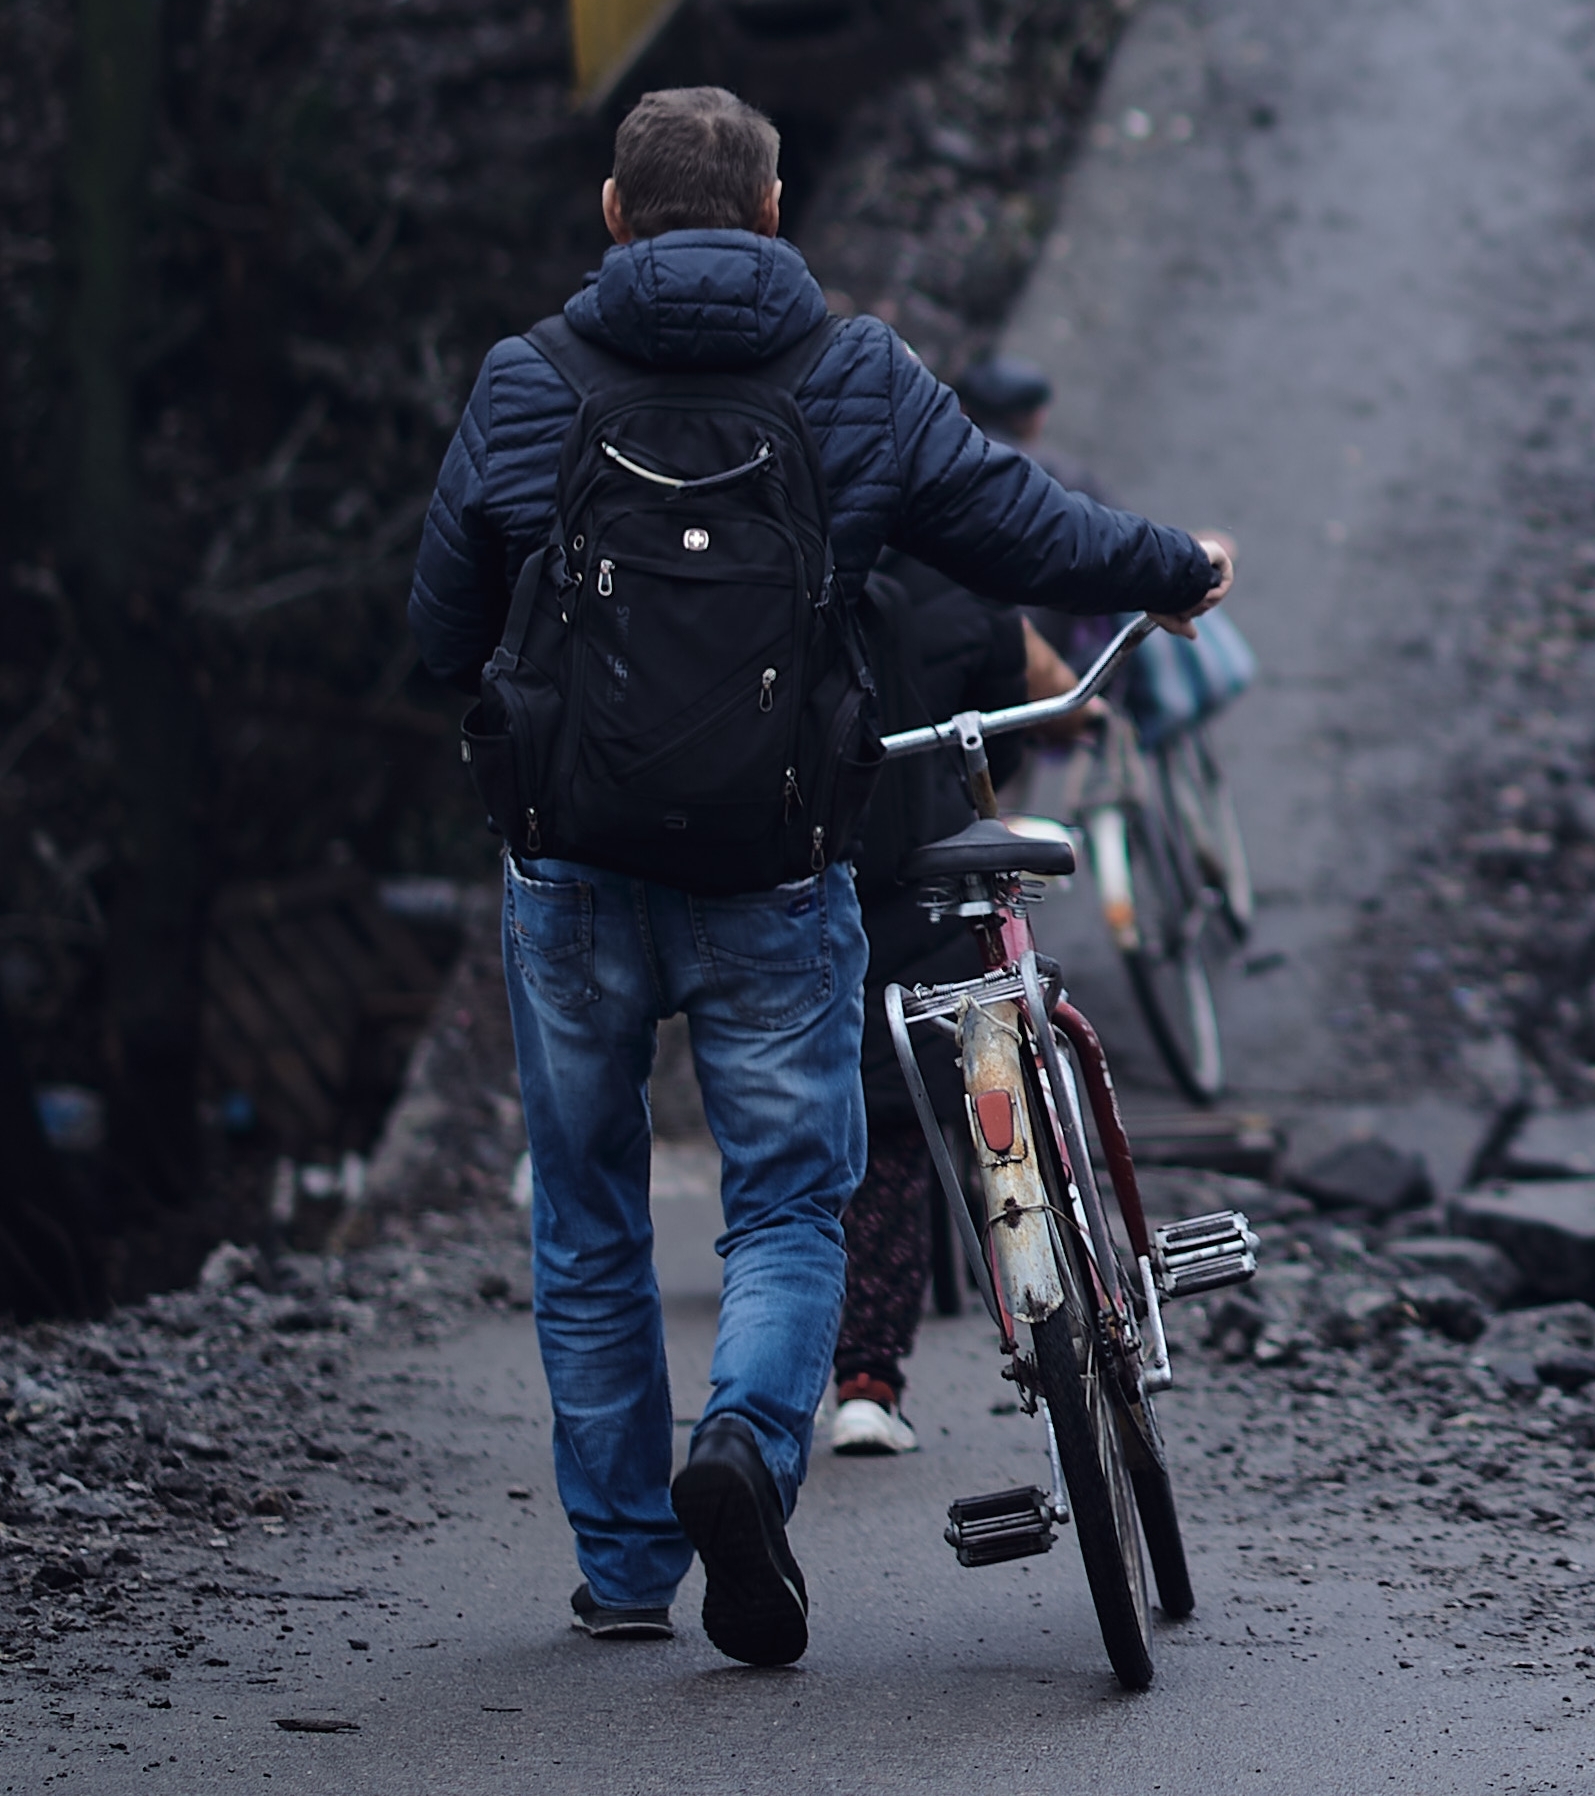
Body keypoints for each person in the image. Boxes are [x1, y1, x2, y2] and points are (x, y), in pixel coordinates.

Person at [407, 86, 1229, 1666]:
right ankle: (748, 1451)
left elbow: (441, 630)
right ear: (776, 211)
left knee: (589, 1216)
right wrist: (1175, 569)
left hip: (571, 873)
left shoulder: (529, 382)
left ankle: (630, 1569)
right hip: (778, 868)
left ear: (610, 212)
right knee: (790, 1198)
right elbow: (1017, 526)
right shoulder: (849, 374)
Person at [823, 552, 1066, 1459]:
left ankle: (762, 1397)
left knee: (785, 1138)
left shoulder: (768, 543)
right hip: (918, 880)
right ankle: (869, 1378)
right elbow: (1007, 729)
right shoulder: (960, 583)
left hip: (783, 881)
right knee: (901, 1130)